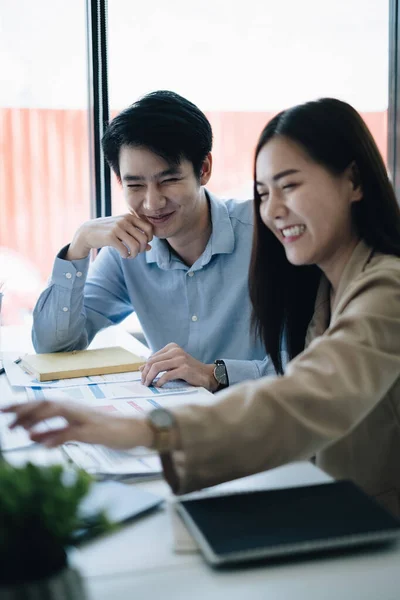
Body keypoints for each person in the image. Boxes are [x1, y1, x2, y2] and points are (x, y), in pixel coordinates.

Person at [6, 98, 400, 515]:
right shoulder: (329, 284)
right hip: (304, 485)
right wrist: (80, 243)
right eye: (264, 193)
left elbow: (304, 393)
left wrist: (145, 429)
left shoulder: (378, 286)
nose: (274, 211)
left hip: (369, 516)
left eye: (290, 186)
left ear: (353, 181)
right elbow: (52, 343)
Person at [31, 90, 274, 391]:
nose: (152, 203)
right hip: (172, 426)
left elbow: (314, 362)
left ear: (204, 169)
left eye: (168, 180)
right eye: (135, 184)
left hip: (263, 423)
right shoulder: (128, 251)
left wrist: (216, 374)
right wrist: (79, 245)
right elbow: (54, 348)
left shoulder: (268, 234)